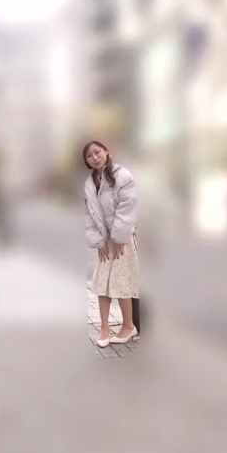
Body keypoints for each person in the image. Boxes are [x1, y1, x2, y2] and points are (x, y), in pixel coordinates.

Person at [83, 140, 140, 347]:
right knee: (102, 284)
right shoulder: (90, 184)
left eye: (97, 152)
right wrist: (98, 242)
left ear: (106, 151)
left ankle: (128, 326)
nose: (94, 157)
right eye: (89, 156)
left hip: (122, 240)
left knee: (121, 281)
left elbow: (128, 207)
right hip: (104, 241)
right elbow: (89, 215)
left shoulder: (123, 176)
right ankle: (104, 328)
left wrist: (119, 238)